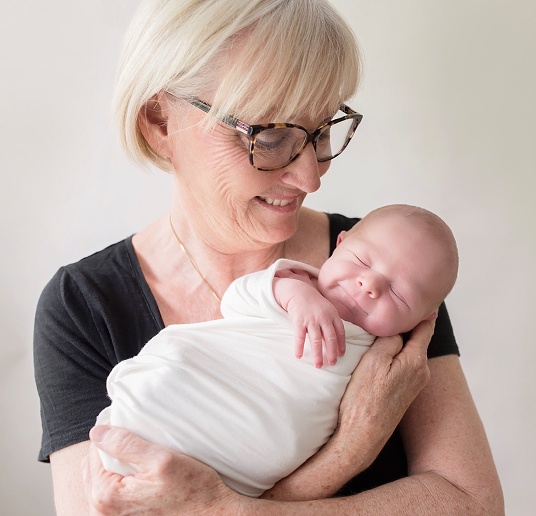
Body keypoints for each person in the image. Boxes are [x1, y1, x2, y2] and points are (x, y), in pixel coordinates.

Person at [33, 0, 504, 513]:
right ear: (159, 121)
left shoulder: (392, 270)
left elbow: (473, 503)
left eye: (321, 130)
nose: (311, 178)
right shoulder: (85, 305)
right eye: (270, 135)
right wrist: (350, 447)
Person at [96, 204, 460, 498]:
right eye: (362, 262)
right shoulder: (296, 285)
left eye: (398, 293)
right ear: (340, 244)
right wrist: (295, 297)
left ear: (424, 317)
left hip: (242, 469)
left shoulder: (389, 357)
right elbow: (236, 300)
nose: (370, 285)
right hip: (186, 390)